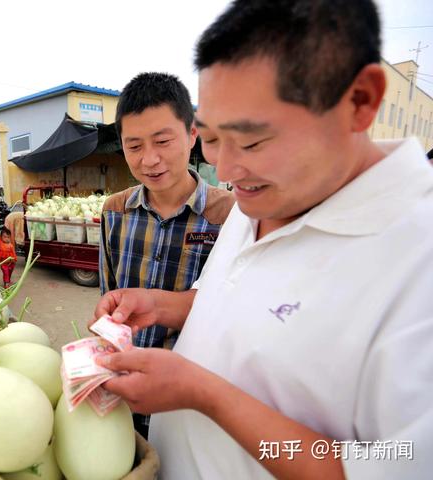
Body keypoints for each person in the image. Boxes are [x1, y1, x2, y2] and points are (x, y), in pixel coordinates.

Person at [93, 1, 433, 479]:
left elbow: (394, 466)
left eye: (252, 142)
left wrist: (203, 393)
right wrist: (163, 306)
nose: (227, 170)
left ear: (359, 101)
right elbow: (229, 301)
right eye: (211, 138)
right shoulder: (262, 198)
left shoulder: (417, 260)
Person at [99, 72, 234, 438]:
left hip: (191, 402)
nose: (150, 160)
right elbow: (108, 300)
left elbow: (234, 313)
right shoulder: (115, 212)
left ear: (192, 135)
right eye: (134, 146)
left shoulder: (232, 216)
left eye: (162, 141)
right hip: (126, 393)